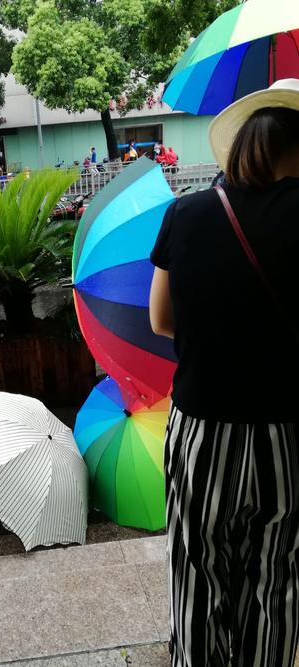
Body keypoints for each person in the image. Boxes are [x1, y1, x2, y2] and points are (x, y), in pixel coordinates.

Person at [149, 78, 299, 667]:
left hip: (203, 431)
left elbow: (160, 319)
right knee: (278, 574)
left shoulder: (186, 213)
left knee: (197, 567)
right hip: (286, 433)